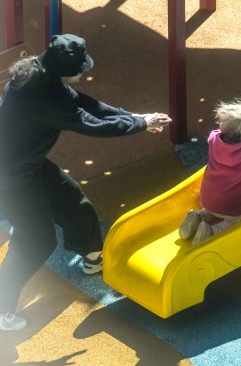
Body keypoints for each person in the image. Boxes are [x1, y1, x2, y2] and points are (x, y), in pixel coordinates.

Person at [0, 33, 171, 331]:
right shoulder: (44, 97)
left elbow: (88, 105)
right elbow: (93, 125)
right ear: (65, 70)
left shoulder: (38, 73)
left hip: (27, 163)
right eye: (81, 68)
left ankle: (92, 254)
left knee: (71, 198)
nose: (84, 72)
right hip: (9, 177)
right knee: (36, 239)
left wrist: (137, 117)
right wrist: (141, 125)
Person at [178, 97, 241, 246]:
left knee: (212, 209)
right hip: (231, 205)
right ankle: (212, 231)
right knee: (237, 220)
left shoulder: (213, 139)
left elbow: (219, 130)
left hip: (207, 196)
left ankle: (198, 217)